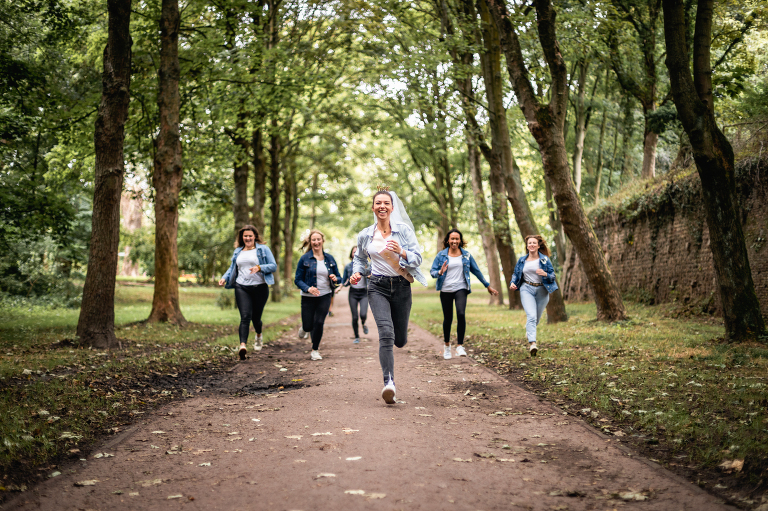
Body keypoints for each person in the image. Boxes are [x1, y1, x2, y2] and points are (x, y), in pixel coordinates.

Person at [350, 189, 427, 404]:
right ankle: (389, 383)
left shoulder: (403, 231)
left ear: (392, 207)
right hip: (377, 287)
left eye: (386, 203)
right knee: (385, 332)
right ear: (373, 207)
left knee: (399, 340)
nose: (382, 206)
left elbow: (417, 259)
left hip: (402, 287)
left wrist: (402, 252)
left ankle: (398, 343)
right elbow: (359, 259)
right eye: (378, 203)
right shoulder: (366, 234)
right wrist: (356, 272)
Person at [430, 229, 498, 360]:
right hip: (445, 289)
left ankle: (460, 345)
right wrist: (439, 272)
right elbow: (432, 271)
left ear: (460, 241)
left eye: (457, 239)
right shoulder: (441, 255)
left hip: (461, 288)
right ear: (448, 240)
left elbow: (476, 271)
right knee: (448, 318)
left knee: (461, 314)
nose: (454, 241)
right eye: (452, 239)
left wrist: (487, 286)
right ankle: (447, 346)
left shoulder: (466, 255)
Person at [219, 225, 278, 360]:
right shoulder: (238, 251)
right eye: (245, 236)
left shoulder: (263, 249)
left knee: (256, 318)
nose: (248, 238)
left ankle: (258, 335)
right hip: (242, 287)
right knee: (245, 316)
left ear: (255, 236)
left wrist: (259, 267)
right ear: (242, 237)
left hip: (260, 287)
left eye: (250, 236)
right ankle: (243, 346)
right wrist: (224, 277)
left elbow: (273, 266)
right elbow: (232, 267)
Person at [294, 229, 341, 361]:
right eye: (313, 240)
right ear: (310, 242)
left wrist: (335, 278)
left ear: (322, 241)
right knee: (309, 325)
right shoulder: (304, 258)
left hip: (325, 295)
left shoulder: (329, 258)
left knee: (319, 322)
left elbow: (339, 277)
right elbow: (297, 280)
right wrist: (308, 288)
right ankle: (304, 328)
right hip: (308, 297)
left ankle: (315, 350)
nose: (316, 242)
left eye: (318, 239)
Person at [509, 235, 558, 357]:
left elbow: (553, 276)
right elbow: (515, 274)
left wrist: (545, 274)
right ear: (527, 246)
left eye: (534, 243)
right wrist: (512, 283)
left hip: (542, 290)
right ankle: (533, 344)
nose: (531, 245)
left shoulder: (545, 260)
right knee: (531, 316)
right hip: (527, 288)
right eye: (529, 243)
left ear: (538, 245)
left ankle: (529, 331)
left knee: (536, 318)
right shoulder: (522, 260)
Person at [342, 246, 370, 344]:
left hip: (364, 293)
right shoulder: (348, 267)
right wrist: (341, 286)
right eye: (354, 252)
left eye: (358, 252)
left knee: (363, 314)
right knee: (354, 317)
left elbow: (372, 278)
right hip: (353, 293)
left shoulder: (367, 265)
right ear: (351, 254)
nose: (356, 253)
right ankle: (357, 336)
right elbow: (344, 281)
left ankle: (363, 323)